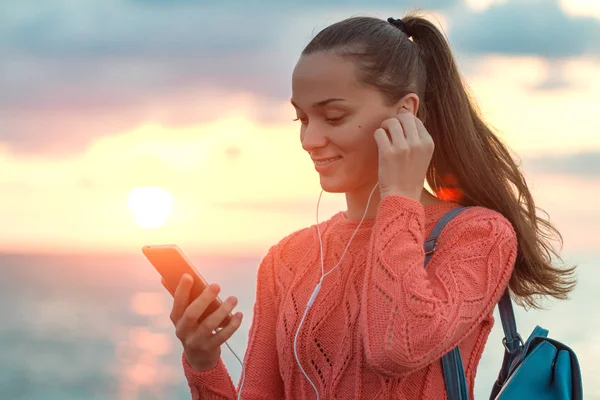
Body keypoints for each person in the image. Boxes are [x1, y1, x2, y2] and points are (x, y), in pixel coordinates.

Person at [166, 12, 577, 399]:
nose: (309, 140)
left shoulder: (478, 234)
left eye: (334, 116)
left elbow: (396, 347)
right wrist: (204, 363)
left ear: (405, 115)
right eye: (302, 119)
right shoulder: (286, 259)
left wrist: (398, 197)